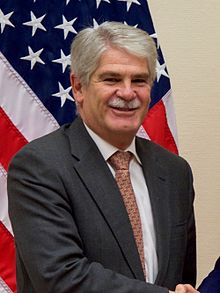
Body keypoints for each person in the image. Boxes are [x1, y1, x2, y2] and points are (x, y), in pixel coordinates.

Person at [7, 22, 199, 293]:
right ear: (79, 87)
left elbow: (182, 276)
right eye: (111, 79)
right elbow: (60, 278)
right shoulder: (39, 166)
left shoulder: (175, 171)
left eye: (140, 80)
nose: (128, 93)